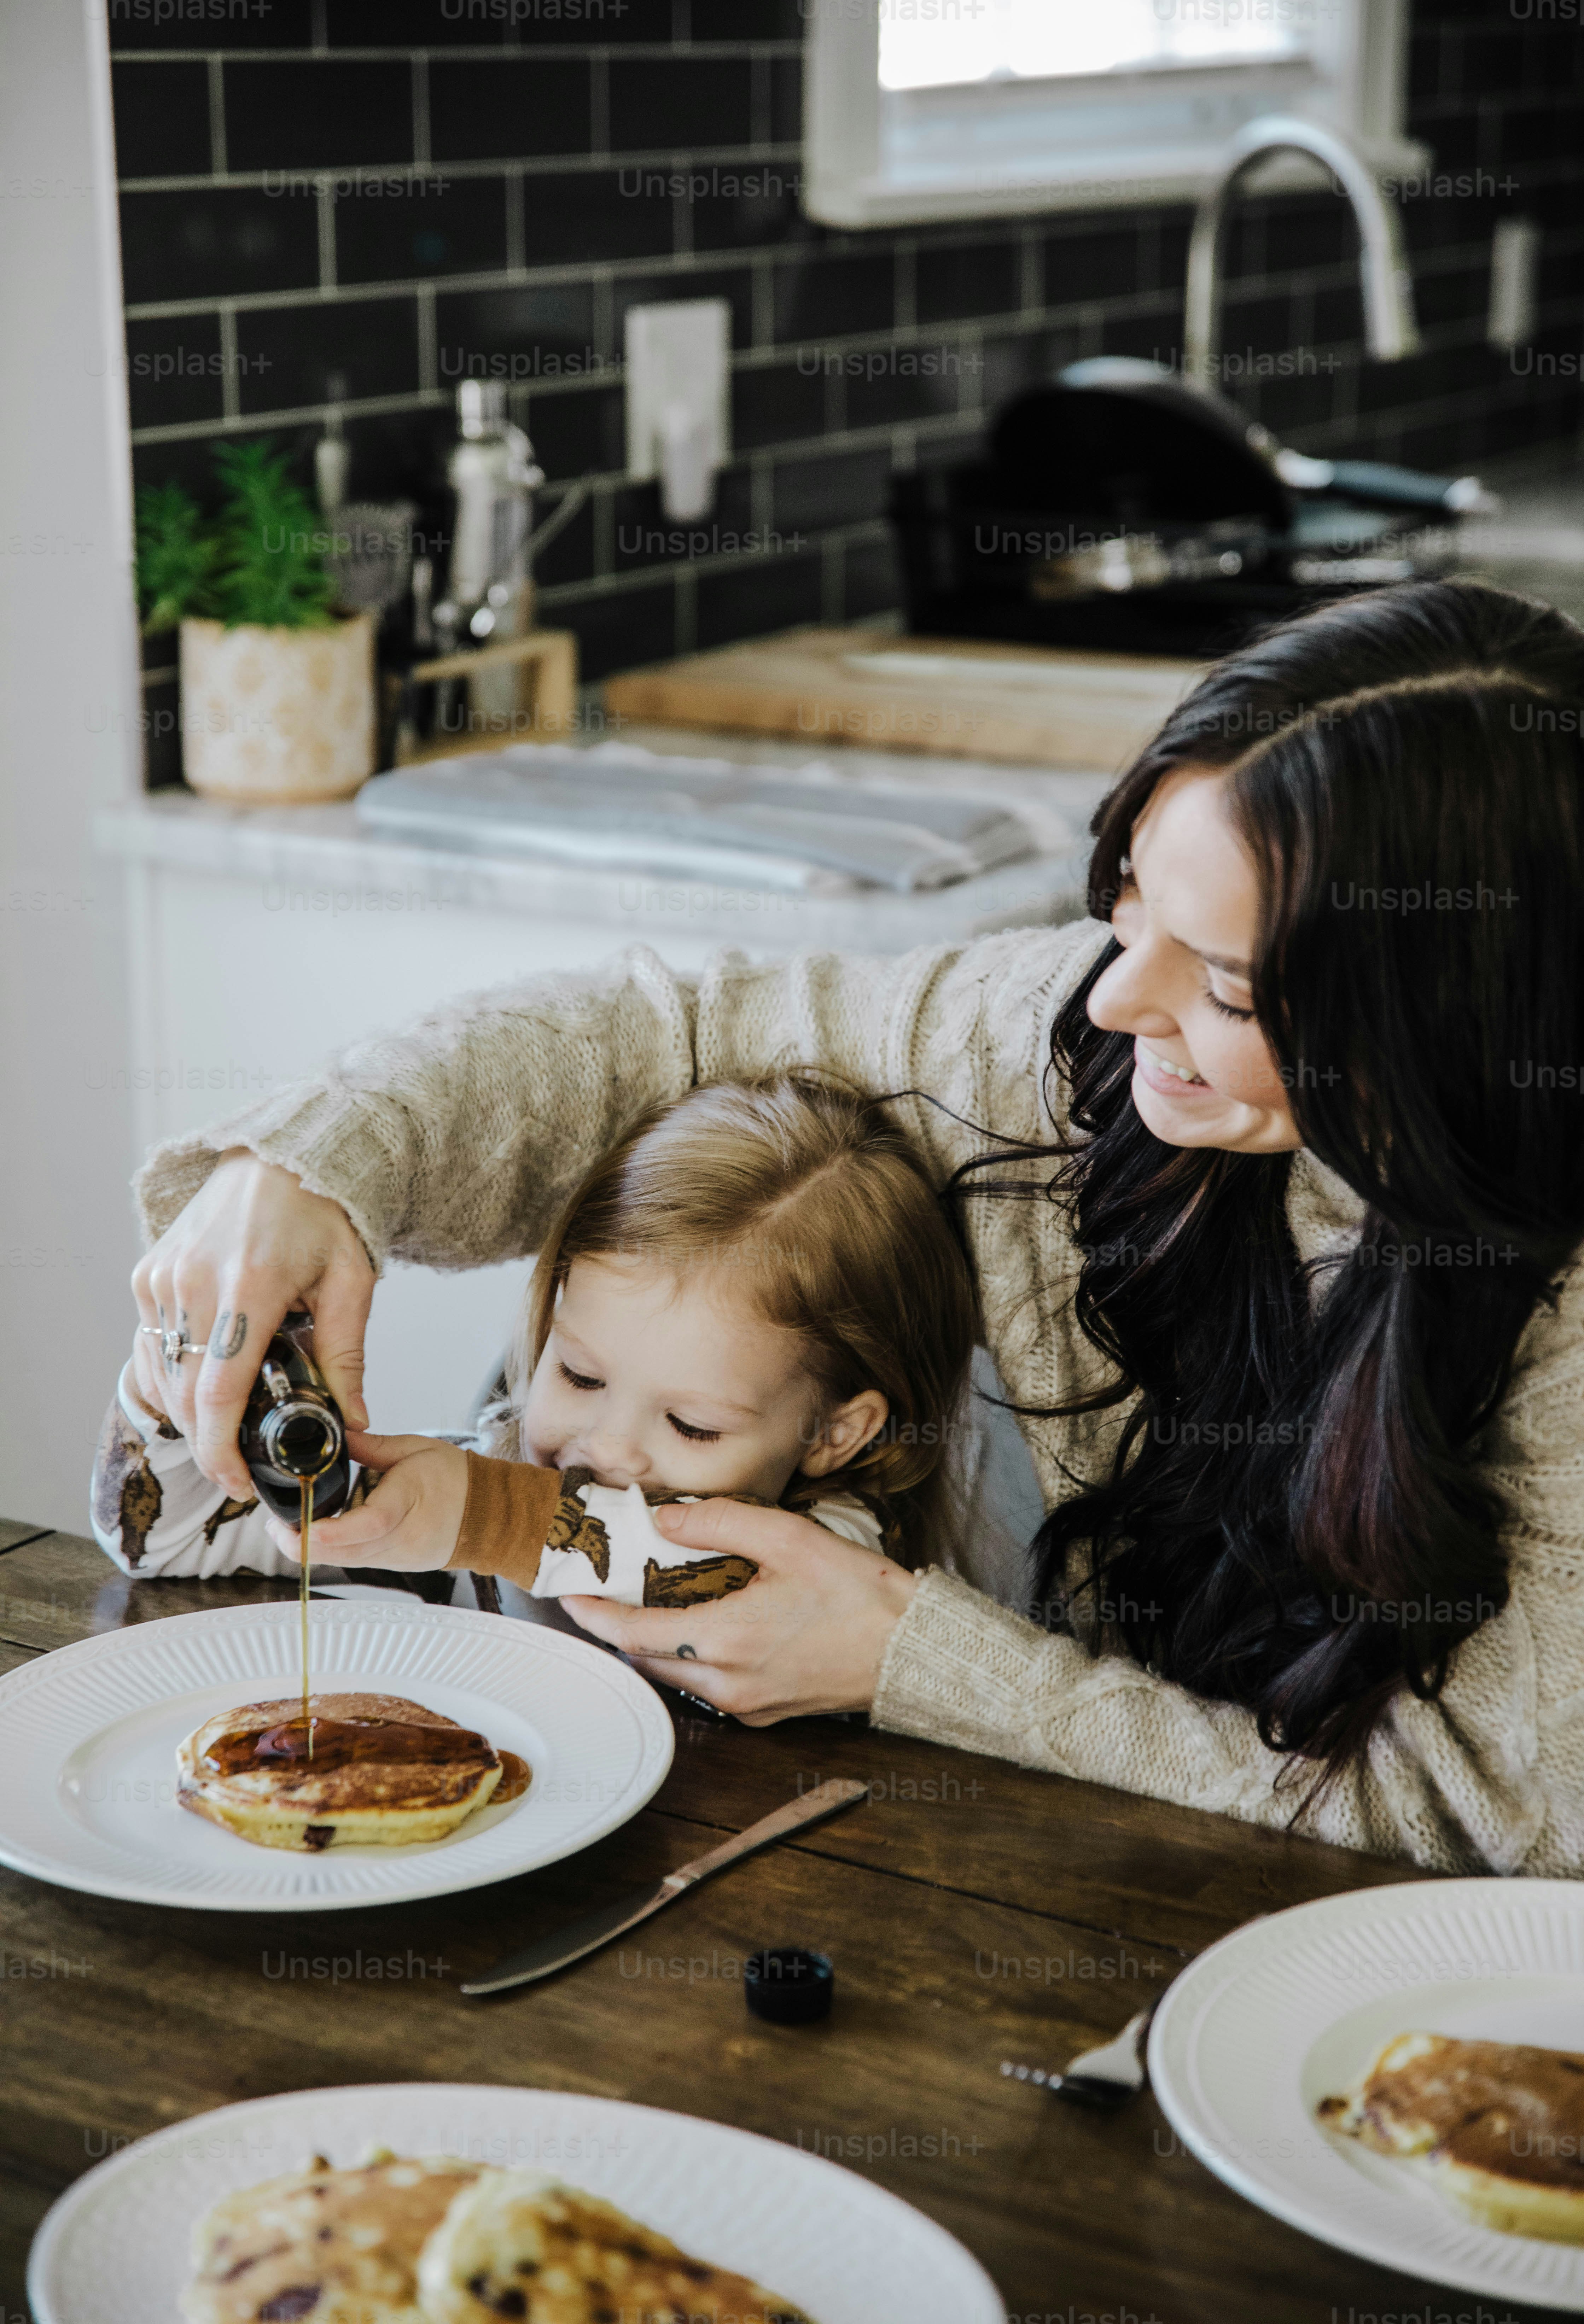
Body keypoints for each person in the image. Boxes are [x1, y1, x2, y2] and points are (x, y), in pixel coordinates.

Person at [128, 580, 1584, 1873]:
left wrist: (917, 1660)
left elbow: (1491, 1820)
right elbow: (672, 1035)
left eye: (1227, 989)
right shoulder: (1071, 1031)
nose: (1109, 1002)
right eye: (1126, 902)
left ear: (1439, 1033)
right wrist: (315, 1169)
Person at [94, 1076, 976, 1612]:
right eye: (580, 1374)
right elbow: (162, 1549)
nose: (608, 1448)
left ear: (833, 1432)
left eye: (694, 1426)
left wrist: (480, 1520)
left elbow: (715, 1573)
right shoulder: (469, 1482)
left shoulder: (842, 1554)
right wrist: (172, 1398)